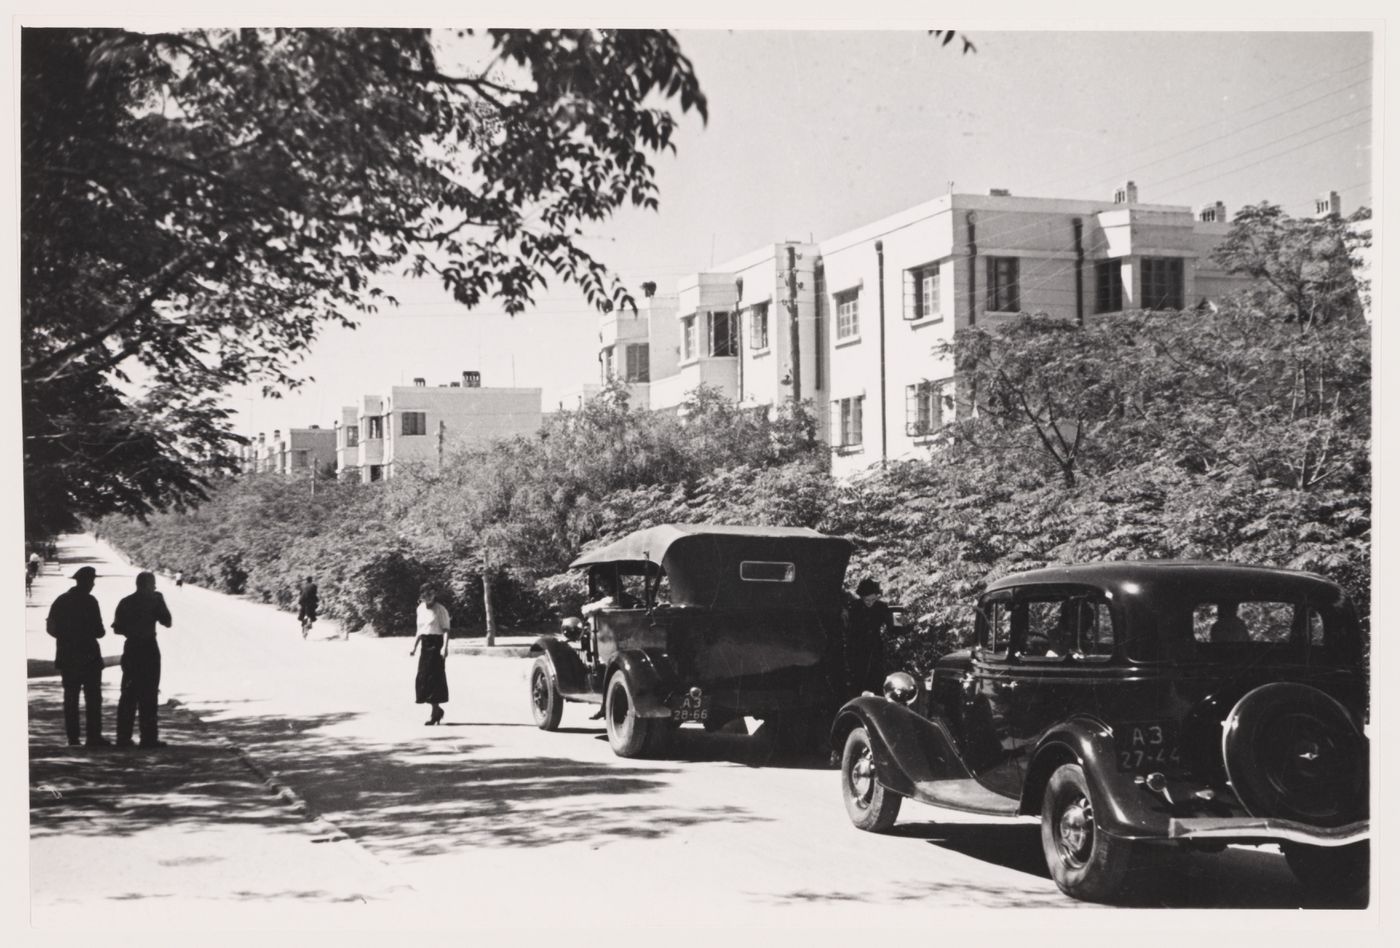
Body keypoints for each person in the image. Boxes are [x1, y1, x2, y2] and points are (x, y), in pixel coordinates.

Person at [46, 566, 109, 747]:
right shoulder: (90, 601)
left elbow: (51, 628)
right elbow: (100, 631)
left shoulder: (61, 600)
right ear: (87, 582)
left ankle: (73, 738)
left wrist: (65, 638)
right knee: (93, 698)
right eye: (92, 581)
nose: (93, 584)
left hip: (67, 655)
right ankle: (93, 737)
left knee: (71, 698)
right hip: (89, 656)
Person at [112, 571, 173, 748]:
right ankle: (148, 738)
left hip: (131, 647)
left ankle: (123, 737)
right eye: (153, 584)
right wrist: (160, 602)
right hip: (148, 647)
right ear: (146, 585)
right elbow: (167, 622)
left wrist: (132, 630)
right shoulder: (155, 600)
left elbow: (116, 629)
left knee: (128, 693)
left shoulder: (125, 602)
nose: (155, 587)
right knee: (149, 692)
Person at [842, 577, 892, 698]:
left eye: (873, 599)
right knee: (857, 682)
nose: (870, 603)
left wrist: (902, 623)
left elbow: (893, 627)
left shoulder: (882, 607)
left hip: (875, 648)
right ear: (861, 597)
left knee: (876, 680)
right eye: (867, 600)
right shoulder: (853, 607)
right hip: (856, 648)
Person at [409, 584, 450, 725]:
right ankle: (437, 710)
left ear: (435, 594)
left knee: (435, 679)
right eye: (425, 594)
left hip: (437, 644)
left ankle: (435, 713)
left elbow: (446, 630)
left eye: (431, 594)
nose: (428, 597)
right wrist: (414, 647)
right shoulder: (420, 609)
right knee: (423, 678)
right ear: (421, 596)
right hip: (425, 645)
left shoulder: (440, 610)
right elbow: (420, 630)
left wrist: (444, 647)